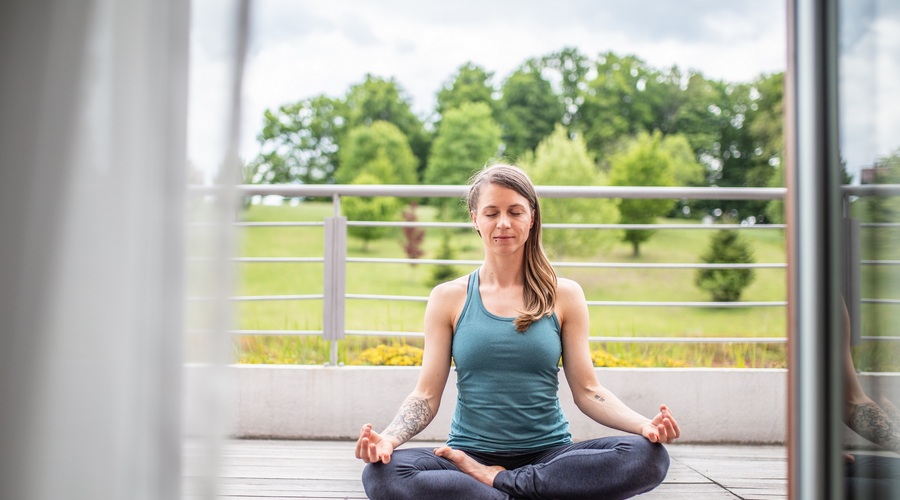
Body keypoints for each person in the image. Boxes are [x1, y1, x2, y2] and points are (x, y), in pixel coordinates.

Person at [355, 163, 680, 499]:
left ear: (532, 217)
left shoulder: (564, 294)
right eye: (492, 212)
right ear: (475, 219)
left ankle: (501, 486)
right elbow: (425, 396)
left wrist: (643, 425)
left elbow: (588, 390)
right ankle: (527, 490)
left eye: (515, 211)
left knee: (647, 457)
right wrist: (389, 439)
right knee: (382, 474)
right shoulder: (448, 298)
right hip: (468, 456)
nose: (504, 223)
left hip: (549, 456)